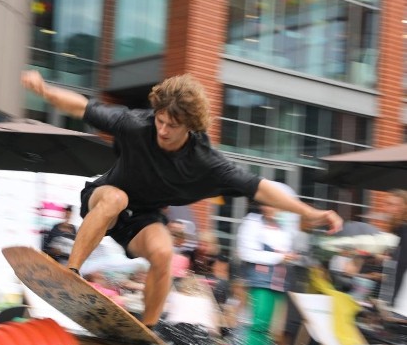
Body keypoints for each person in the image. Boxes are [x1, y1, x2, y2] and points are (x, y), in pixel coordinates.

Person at [21, 70, 342, 331]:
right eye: (160, 120)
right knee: (115, 197)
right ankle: (71, 272)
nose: (162, 130)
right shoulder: (136, 124)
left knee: (163, 252)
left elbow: (257, 187)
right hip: (105, 199)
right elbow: (83, 108)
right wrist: (46, 92)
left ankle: (147, 330)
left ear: (190, 125)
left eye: (172, 126)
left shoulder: (205, 160)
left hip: (142, 219)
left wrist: (308, 212)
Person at [236, 203, 298, 345]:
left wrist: (287, 256)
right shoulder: (253, 223)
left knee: (273, 329)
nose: (268, 208)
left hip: (279, 282)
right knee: (259, 322)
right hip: (260, 281)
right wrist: (280, 257)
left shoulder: (285, 228)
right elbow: (247, 254)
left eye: (273, 206)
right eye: (266, 205)